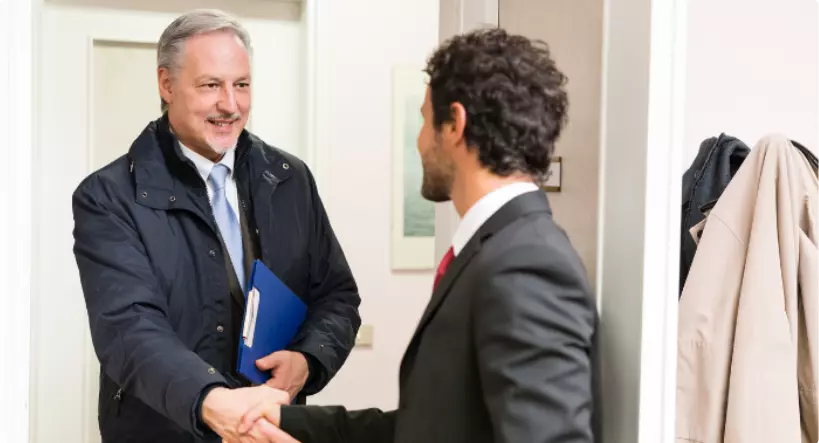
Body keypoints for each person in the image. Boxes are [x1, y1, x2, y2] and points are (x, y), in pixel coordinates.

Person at [235, 28, 601, 443]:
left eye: (425, 120)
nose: (420, 141)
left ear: (455, 125)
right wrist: (283, 422)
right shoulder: (495, 252)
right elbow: (429, 425)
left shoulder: (528, 264)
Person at [71, 9, 361, 443]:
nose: (230, 104)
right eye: (210, 85)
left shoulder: (291, 179)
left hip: (269, 428)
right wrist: (210, 400)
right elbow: (128, 329)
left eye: (241, 84)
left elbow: (337, 296)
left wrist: (308, 360)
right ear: (166, 85)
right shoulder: (108, 196)